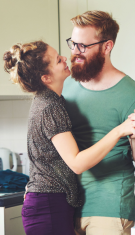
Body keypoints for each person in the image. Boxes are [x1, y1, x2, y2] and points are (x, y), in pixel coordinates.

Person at [3, 41, 135, 235]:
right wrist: (119, 131)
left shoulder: (51, 101)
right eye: (58, 60)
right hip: (47, 206)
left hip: (51, 204)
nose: (65, 58)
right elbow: (76, 163)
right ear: (46, 77)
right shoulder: (50, 107)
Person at [62, 10, 135, 235]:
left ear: (107, 46)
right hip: (68, 204)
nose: (75, 52)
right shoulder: (66, 86)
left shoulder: (130, 92)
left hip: (110, 206)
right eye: (73, 44)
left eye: (83, 46)